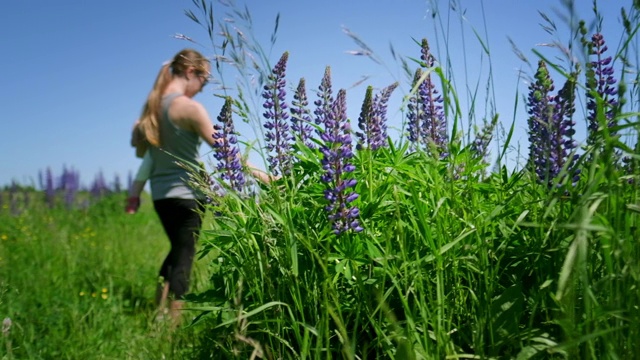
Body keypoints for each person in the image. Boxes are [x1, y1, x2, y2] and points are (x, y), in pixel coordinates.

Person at [133, 48, 272, 326]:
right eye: (204, 81)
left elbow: (140, 151)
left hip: (161, 195)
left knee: (175, 251)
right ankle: (171, 330)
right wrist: (263, 176)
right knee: (184, 257)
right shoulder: (189, 108)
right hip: (188, 194)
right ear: (190, 72)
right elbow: (224, 151)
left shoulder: (152, 109)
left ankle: (156, 312)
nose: (202, 88)